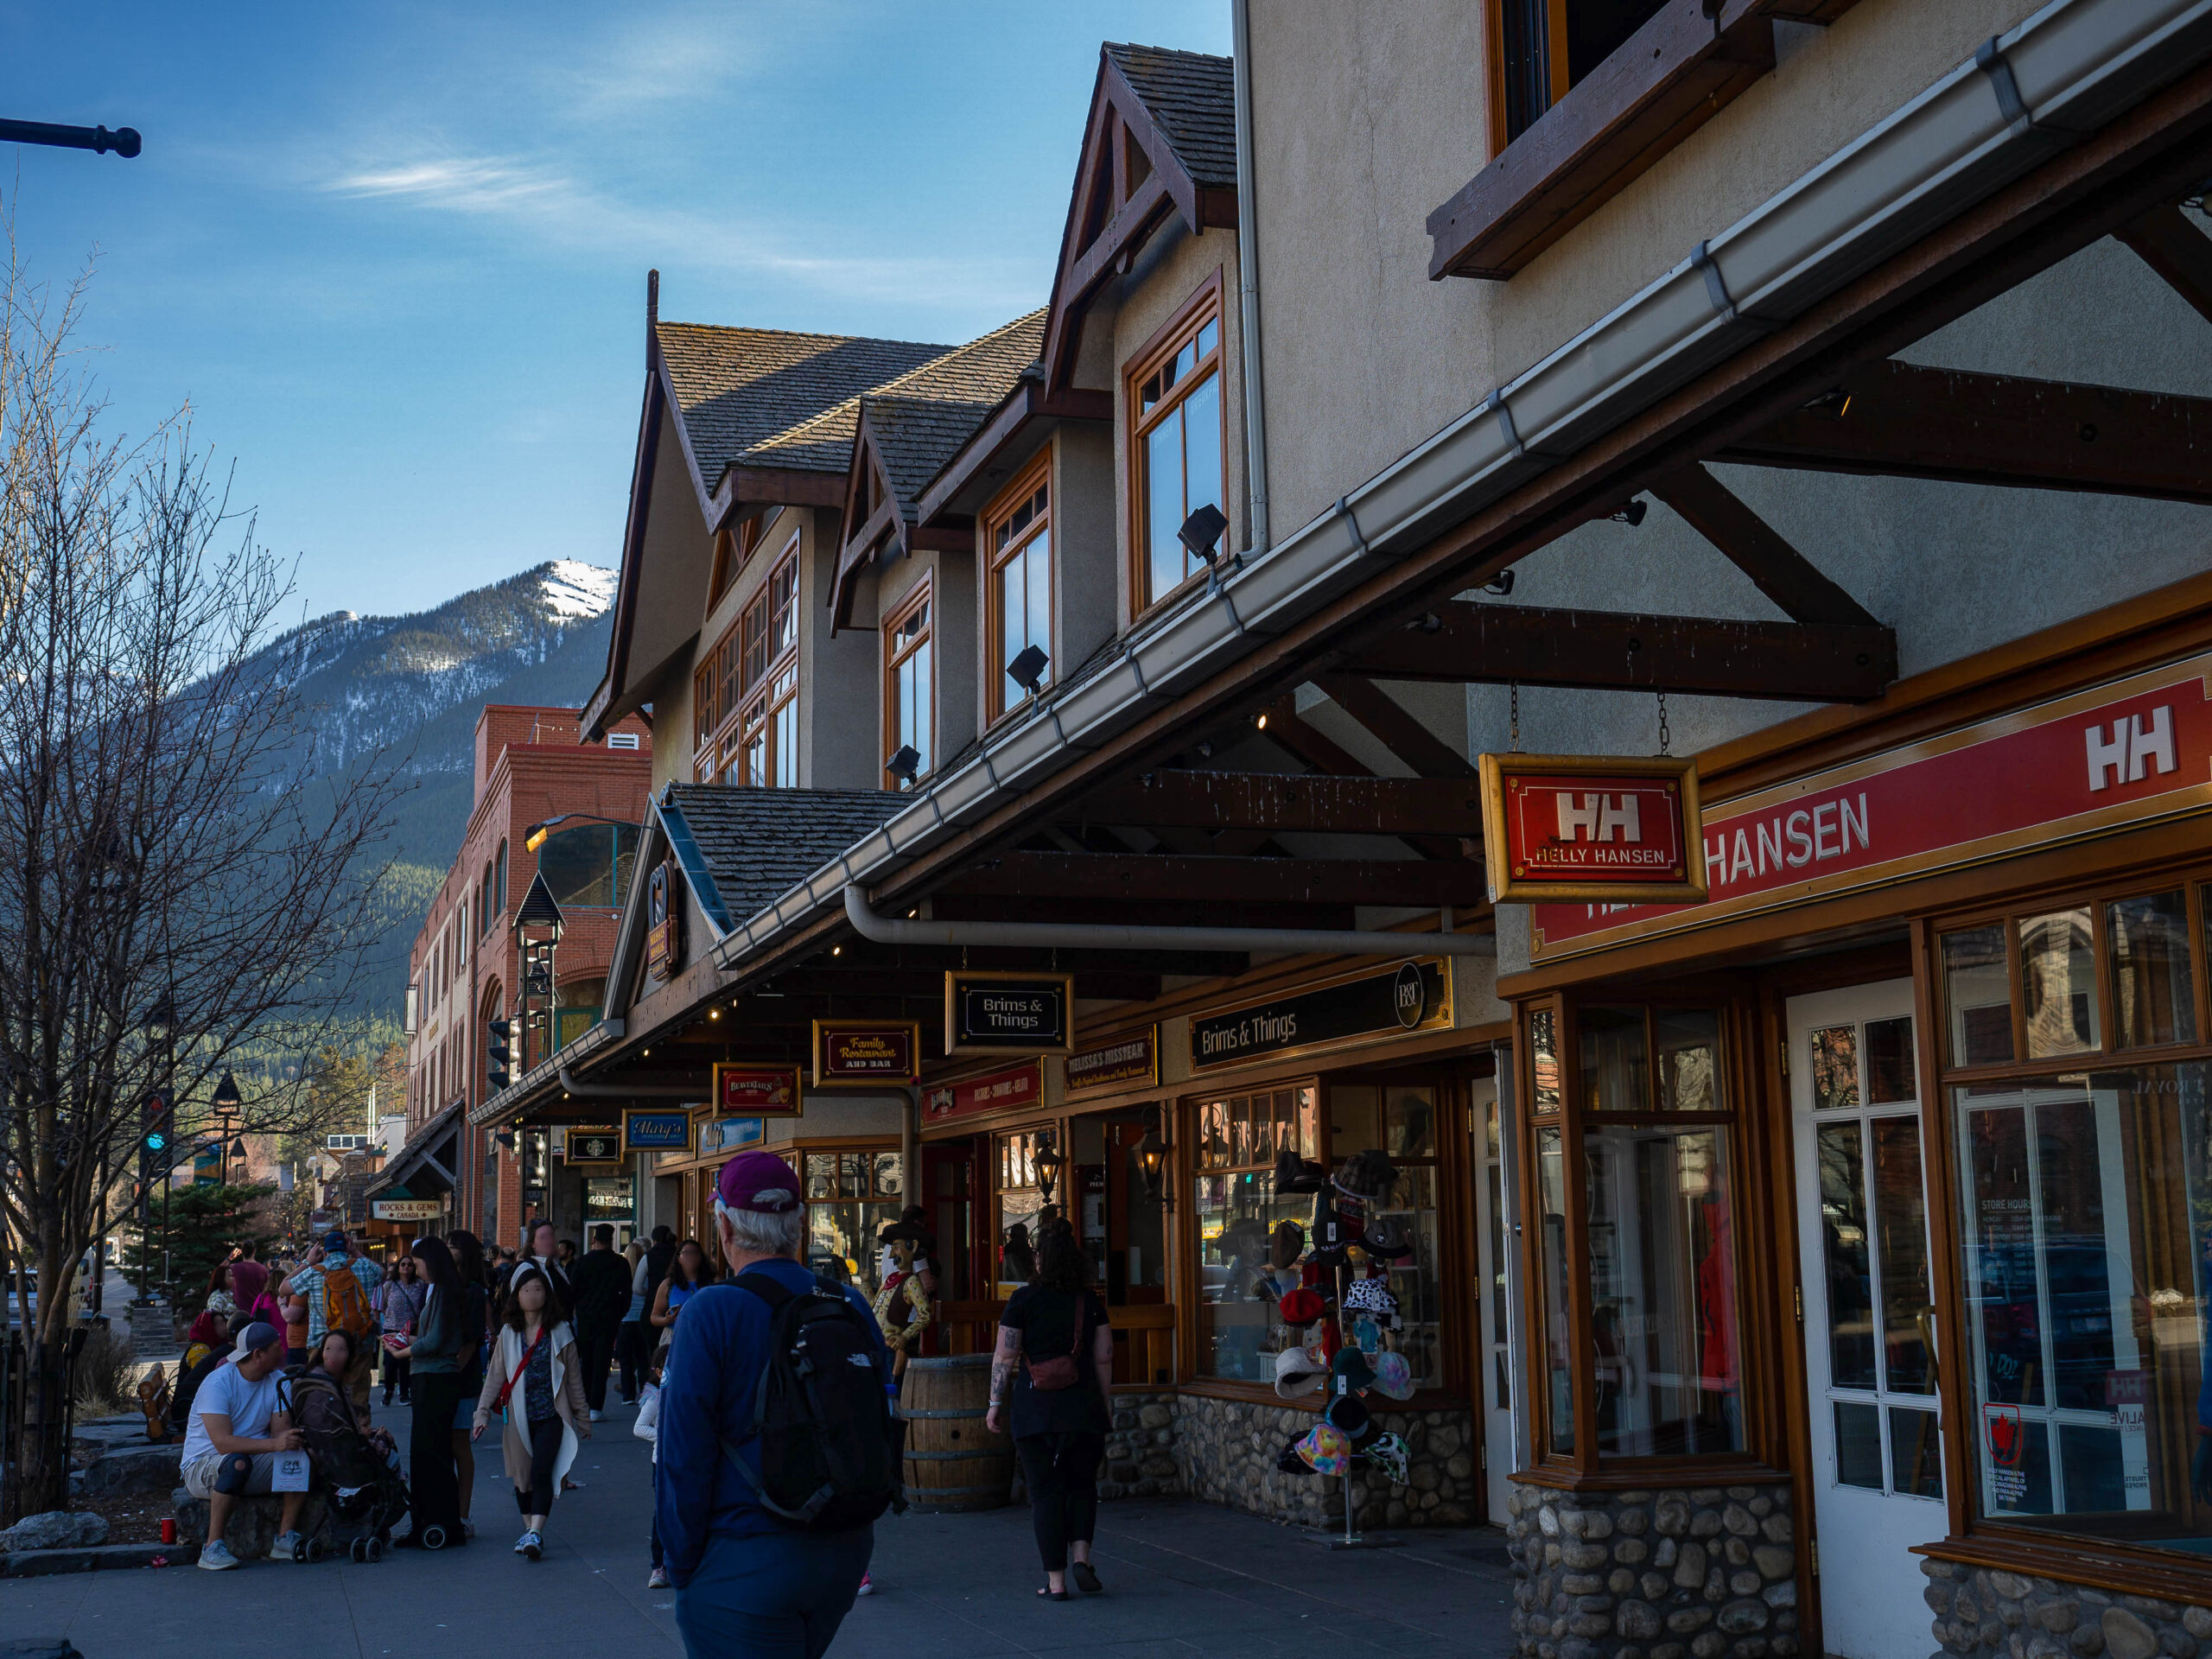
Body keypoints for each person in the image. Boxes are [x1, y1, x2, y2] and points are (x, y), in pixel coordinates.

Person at [658, 1152, 890, 1657]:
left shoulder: (709, 1313)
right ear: (798, 1225)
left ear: (724, 1227)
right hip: (843, 1549)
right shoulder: (847, 1303)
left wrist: (681, 1566)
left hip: (744, 1557)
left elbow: (682, 1455)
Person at [988, 1214, 1113, 1600]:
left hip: (1034, 1409)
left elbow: (1004, 1357)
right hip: (1083, 1407)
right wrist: (1104, 1407)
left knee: (1044, 1494)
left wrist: (995, 1403)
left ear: (1039, 1260)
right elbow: (1104, 1357)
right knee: (1081, 1487)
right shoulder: (1090, 1300)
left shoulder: (1023, 1300)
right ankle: (1082, 1559)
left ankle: (1056, 1584)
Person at [473, 1264, 590, 1560]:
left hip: (551, 1415)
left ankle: (536, 1531)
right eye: (526, 1290)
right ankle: (530, 1531)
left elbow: (574, 1378)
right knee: (521, 1478)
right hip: (517, 1417)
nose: (533, 1295)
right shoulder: (508, 1335)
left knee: (541, 1472)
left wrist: (583, 1417)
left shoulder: (561, 1333)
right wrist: (482, 1414)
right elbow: (494, 1377)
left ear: (547, 1294)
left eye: (538, 1289)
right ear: (516, 1296)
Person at [179, 1321, 308, 1570]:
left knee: (298, 1457)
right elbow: (222, 1442)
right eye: (276, 1347)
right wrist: (275, 1444)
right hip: (204, 1465)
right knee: (236, 1463)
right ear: (259, 1355)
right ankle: (212, 1547)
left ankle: (284, 1539)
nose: (283, 1351)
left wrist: (289, 1441)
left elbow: (280, 1434)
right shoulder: (217, 1383)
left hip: (250, 1459)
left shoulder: (279, 1381)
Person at [396, 1236, 468, 1549]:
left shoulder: (441, 1292)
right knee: (429, 1453)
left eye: (419, 1261)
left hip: (434, 1379)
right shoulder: (439, 1291)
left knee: (430, 1454)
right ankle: (432, 1521)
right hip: (433, 1376)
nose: (416, 1267)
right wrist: (407, 1344)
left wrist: (403, 1352)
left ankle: (437, 1522)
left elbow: (435, 1340)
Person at [287, 1230, 385, 1416]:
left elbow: (283, 1287)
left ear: (325, 1251)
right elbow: (383, 1272)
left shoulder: (314, 1272)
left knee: (323, 1398)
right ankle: (359, 1434)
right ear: (346, 1247)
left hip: (322, 1345)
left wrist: (308, 1262)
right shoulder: (364, 1266)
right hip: (360, 1341)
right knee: (358, 1400)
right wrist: (356, 1253)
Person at [444, 1230, 493, 1536]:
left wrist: (457, 1365)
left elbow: (474, 1338)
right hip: (444, 1375)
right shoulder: (445, 1285)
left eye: (452, 1246)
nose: (448, 1250)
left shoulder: (474, 1290)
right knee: (446, 1445)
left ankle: (463, 1513)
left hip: (461, 1378)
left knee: (460, 1445)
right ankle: (449, 1510)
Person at [296, 1328, 399, 1465]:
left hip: (333, 1443)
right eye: (328, 1349)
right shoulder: (321, 1384)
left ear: (350, 1355)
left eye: (341, 1350)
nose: (334, 1355)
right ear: (321, 1352)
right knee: (386, 1446)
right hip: (330, 1448)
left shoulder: (329, 1379)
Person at [570, 1224, 632, 1421]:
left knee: (586, 1361)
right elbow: (627, 1292)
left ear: (594, 1240)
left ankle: (586, 1403)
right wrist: (620, 1312)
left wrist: (577, 1310)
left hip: (587, 1317)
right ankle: (596, 1406)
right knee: (602, 1360)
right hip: (609, 1317)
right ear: (612, 1240)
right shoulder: (620, 1263)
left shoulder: (583, 1262)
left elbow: (573, 1291)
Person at [635, 1337, 669, 1589]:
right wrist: (668, 1437)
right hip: (663, 1462)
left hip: (687, 1462)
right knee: (662, 1513)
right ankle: (658, 1566)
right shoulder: (656, 1399)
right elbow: (639, 1428)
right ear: (659, 1371)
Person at [374, 1254, 425, 1407]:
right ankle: (388, 1391)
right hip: (391, 1327)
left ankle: (404, 1393)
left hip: (410, 1329)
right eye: (403, 1264)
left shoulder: (420, 1285)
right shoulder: (390, 1285)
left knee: (405, 1363)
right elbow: (381, 1305)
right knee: (390, 1363)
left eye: (409, 1264)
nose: (406, 1267)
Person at [617, 1239, 650, 1406]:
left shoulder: (622, 1275)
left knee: (626, 1361)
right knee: (643, 1360)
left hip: (625, 1320)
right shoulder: (646, 1275)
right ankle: (645, 1394)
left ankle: (628, 1395)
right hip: (642, 1319)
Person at [650, 1239, 709, 1332]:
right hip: (675, 1334)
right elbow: (654, 1317)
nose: (691, 1257)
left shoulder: (713, 1282)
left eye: (694, 1253)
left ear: (701, 1257)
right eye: (686, 1253)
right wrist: (667, 1320)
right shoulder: (668, 1285)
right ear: (678, 1258)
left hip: (705, 1334)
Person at [521, 1220, 573, 1317]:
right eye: (543, 1237)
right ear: (532, 1244)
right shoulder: (527, 1269)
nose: (549, 1241)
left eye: (552, 1236)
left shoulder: (556, 1267)